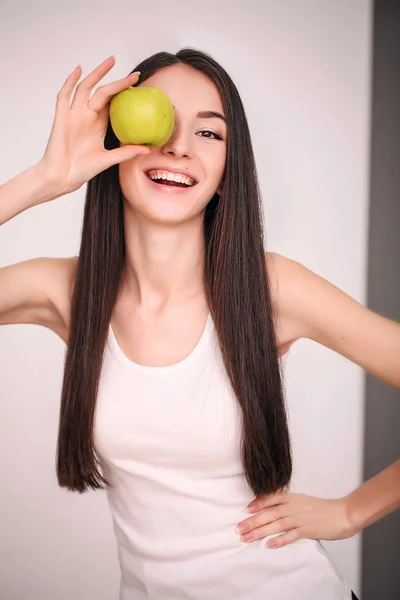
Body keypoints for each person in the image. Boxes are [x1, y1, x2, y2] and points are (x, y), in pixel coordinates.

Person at [0, 49, 398, 600]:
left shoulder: (269, 287)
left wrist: (353, 512)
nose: (178, 146)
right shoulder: (67, 294)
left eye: (210, 134)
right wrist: (44, 179)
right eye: (158, 118)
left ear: (227, 172)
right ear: (116, 146)